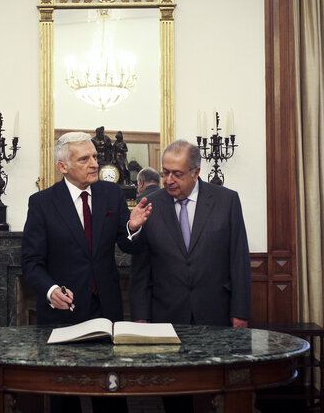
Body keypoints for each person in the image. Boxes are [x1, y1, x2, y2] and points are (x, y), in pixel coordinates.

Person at [21, 131, 152, 413]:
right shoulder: (42, 203)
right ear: (63, 166)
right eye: (85, 159)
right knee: (65, 397)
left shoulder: (111, 194)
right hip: (62, 313)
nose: (95, 163)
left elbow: (125, 245)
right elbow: (31, 262)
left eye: (94, 156)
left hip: (106, 310)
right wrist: (50, 290)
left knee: (111, 394)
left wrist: (132, 227)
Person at [130, 139, 251, 413]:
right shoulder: (149, 203)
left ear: (196, 172)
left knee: (215, 391)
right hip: (166, 314)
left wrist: (241, 311)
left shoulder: (226, 201)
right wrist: (140, 316)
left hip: (215, 312)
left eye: (177, 174)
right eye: (165, 173)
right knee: (174, 393)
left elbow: (239, 259)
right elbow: (141, 268)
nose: (169, 180)